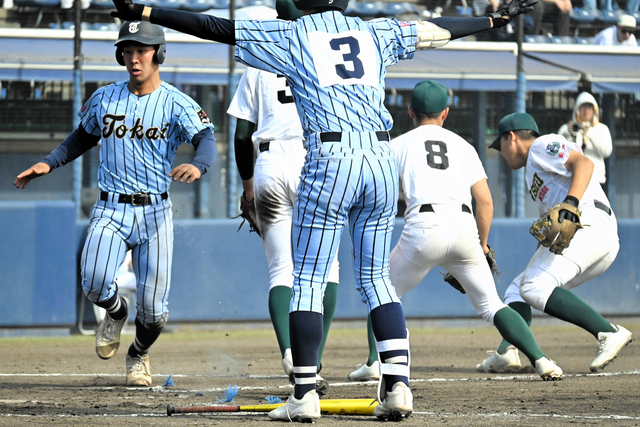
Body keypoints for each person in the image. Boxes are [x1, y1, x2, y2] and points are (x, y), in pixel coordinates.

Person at [109, 0, 535, 420]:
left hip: (331, 158)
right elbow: (438, 30)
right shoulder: (375, 30)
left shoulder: (293, 34)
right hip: (380, 157)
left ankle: (304, 393)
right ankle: (399, 387)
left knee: (308, 278)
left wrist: (146, 12)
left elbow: (213, 26)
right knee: (377, 280)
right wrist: (493, 19)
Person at [14, 20, 217, 387]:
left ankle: (138, 355)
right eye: (128, 50)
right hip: (112, 208)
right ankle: (116, 310)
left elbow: (205, 139)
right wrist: (50, 161)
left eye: (142, 50)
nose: (134, 57)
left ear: (159, 54)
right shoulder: (106, 98)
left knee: (154, 312)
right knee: (93, 283)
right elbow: (81, 138)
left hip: (156, 211)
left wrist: (199, 165)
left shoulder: (176, 102)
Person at [347, 81, 562, 383]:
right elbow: (484, 202)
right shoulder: (465, 147)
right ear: (446, 113)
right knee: (492, 305)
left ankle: (375, 361)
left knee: (380, 291)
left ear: (410, 111)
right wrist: (483, 245)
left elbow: (376, 193)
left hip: (423, 227)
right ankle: (542, 360)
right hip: (464, 229)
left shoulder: (397, 145)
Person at [226, 0, 339, 394]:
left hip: (270, 163)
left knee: (281, 270)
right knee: (327, 269)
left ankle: (291, 355)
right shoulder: (327, 50)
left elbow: (241, 135)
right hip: (317, 158)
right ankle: (314, 361)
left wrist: (247, 183)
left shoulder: (260, 56)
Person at [479, 112, 631, 374]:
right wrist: (534, 265)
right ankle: (507, 351)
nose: (501, 153)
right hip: (588, 235)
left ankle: (607, 332)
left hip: (590, 222)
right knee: (519, 288)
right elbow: (551, 230)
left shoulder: (540, 146)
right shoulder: (531, 172)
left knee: (533, 286)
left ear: (511, 137)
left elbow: (583, 163)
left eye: (500, 145)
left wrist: (571, 204)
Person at [558, 92, 612, 191]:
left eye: (589, 107)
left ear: (594, 110)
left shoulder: (602, 128)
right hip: (573, 179)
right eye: (583, 107)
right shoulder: (568, 128)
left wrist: (589, 134)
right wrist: (567, 132)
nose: (586, 110)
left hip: (596, 178)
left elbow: (606, 151)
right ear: (577, 109)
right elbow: (559, 150)